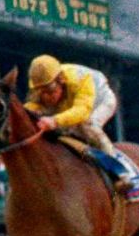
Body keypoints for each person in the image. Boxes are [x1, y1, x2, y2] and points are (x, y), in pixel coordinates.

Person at [24, 54, 130, 193]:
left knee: (87, 124)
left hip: (100, 101)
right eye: (41, 92)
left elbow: (82, 111)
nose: (46, 97)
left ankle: (120, 172)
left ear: (61, 80)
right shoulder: (42, 89)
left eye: (50, 91)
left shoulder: (80, 79)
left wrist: (55, 120)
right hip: (70, 106)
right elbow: (30, 108)